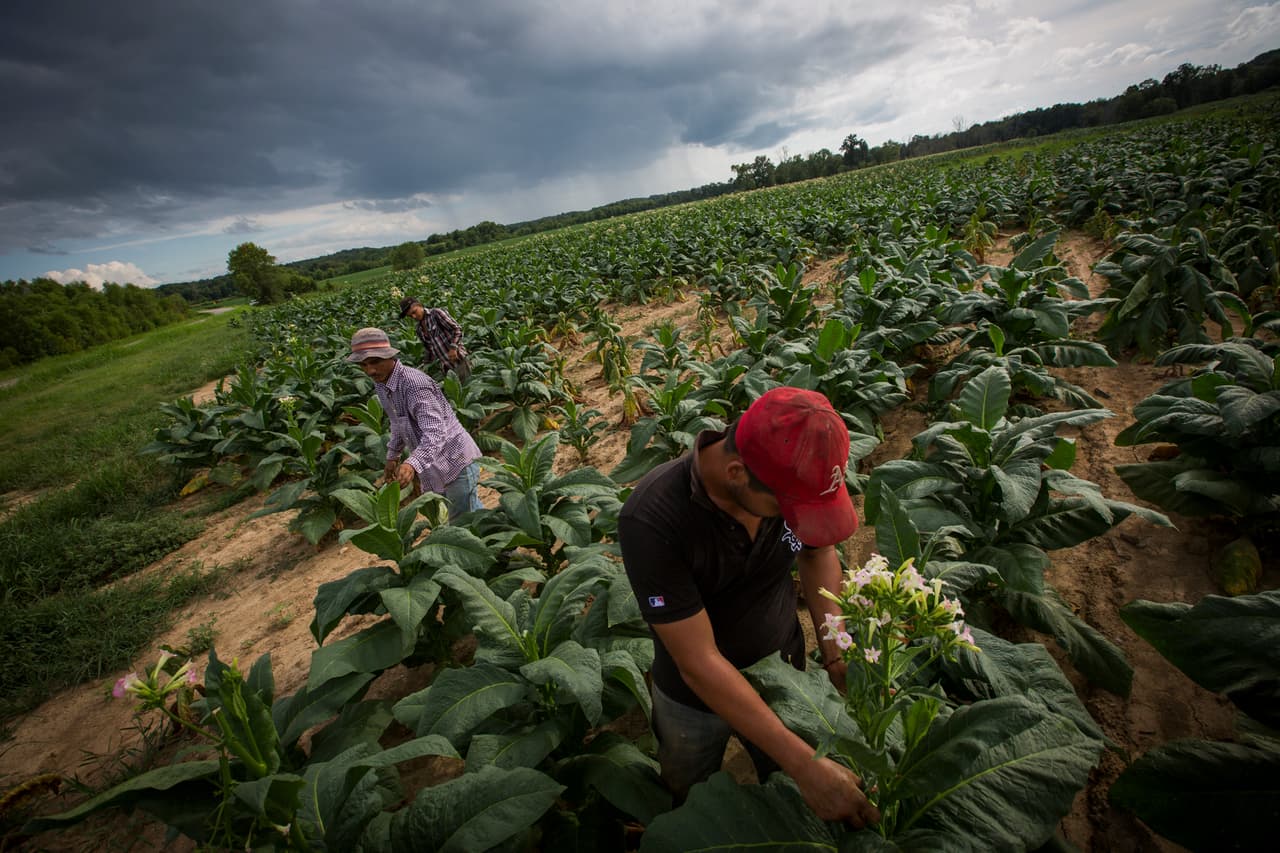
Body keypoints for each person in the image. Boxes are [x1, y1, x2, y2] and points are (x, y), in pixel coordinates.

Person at [617, 386, 880, 828]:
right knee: (689, 798)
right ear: (737, 472)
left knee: (796, 800)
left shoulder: (783, 479)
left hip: (785, 674)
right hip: (693, 701)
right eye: (788, 508)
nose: (793, 520)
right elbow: (698, 662)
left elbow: (814, 552)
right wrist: (805, 766)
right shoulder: (652, 519)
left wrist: (836, 646)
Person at [347, 327, 482, 519]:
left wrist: (412, 464)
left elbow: (436, 432)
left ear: (389, 356)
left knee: (465, 522)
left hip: (455, 460)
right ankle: (502, 546)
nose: (370, 370)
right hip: (436, 464)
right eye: (363, 364)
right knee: (472, 514)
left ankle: (504, 548)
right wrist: (393, 456)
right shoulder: (382, 383)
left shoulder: (414, 384)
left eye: (375, 362)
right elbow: (397, 422)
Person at [398, 296, 471, 382]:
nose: (414, 317)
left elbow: (457, 329)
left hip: (459, 360)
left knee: (468, 386)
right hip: (446, 367)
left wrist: (453, 347)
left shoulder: (436, 313)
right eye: (410, 316)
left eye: (414, 312)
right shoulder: (419, 329)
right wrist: (423, 367)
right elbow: (429, 350)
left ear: (419, 305)